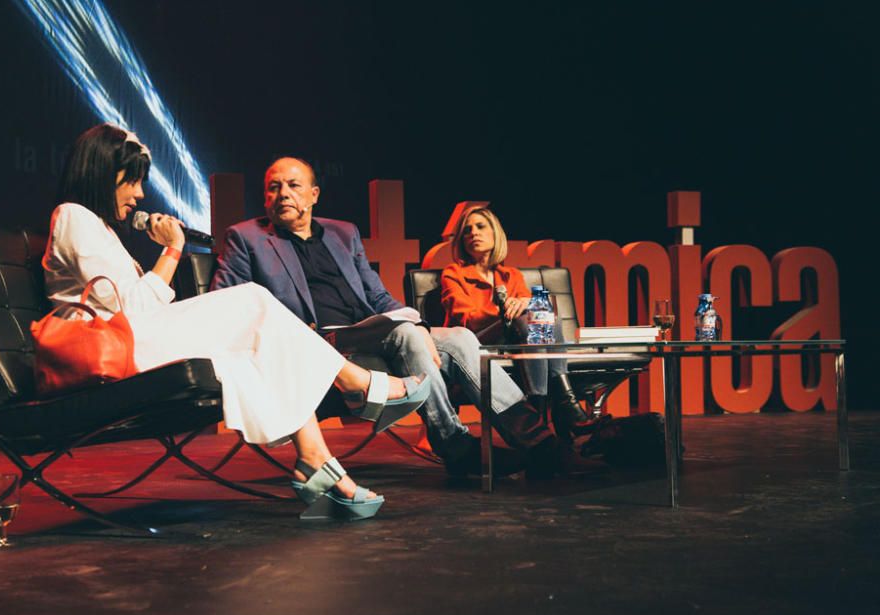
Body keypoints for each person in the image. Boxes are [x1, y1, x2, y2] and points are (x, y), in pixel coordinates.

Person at [43, 124, 430, 521]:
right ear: (104, 174)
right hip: (119, 351)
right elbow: (135, 309)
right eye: (134, 181)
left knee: (248, 356)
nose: (140, 194)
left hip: (136, 339)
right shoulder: (74, 217)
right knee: (252, 299)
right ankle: (358, 384)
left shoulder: (96, 226)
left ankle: (317, 462)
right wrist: (173, 249)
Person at [213, 157, 561, 478]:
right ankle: (454, 444)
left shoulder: (343, 233)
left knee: (459, 337)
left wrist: (420, 325)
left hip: (373, 328)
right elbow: (227, 302)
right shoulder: (247, 238)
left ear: (314, 194)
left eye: (293, 185)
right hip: (320, 339)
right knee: (409, 336)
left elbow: (378, 297)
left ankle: (539, 442)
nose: (283, 194)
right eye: (274, 187)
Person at [442, 206, 603, 473]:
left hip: (515, 345)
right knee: (531, 314)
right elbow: (465, 318)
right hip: (475, 345)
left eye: (481, 227)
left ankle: (540, 418)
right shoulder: (453, 273)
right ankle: (566, 408)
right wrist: (511, 309)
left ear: (496, 234)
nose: (473, 234)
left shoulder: (511, 275)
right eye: (467, 230)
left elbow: (532, 320)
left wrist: (526, 304)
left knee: (542, 313)